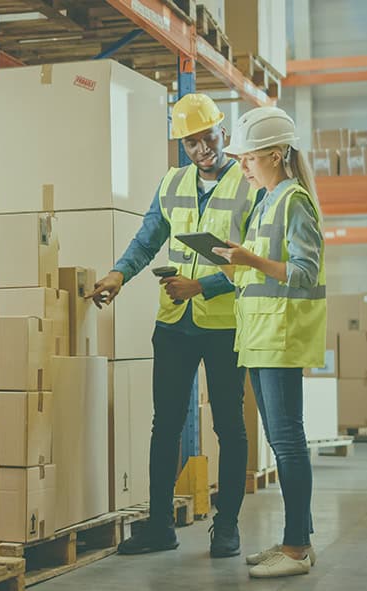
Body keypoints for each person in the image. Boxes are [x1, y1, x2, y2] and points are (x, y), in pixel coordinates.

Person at [88, 93, 255, 559]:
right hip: (175, 324)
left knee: (229, 427)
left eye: (208, 137)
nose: (202, 148)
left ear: (224, 132)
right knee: (165, 424)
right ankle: (160, 525)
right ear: (181, 144)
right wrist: (119, 274)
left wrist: (202, 289)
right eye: (191, 142)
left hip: (223, 325)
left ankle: (227, 528)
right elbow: (148, 238)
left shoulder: (248, 185)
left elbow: (256, 262)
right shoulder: (173, 183)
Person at [212, 106, 327, 579]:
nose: (241, 167)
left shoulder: (293, 201)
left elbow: (304, 273)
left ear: (277, 156)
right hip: (259, 338)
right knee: (282, 445)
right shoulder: (265, 201)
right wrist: (231, 264)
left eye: (249, 159)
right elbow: (259, 273)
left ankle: (298, 548)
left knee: (288, 443)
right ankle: (292, 540)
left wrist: (251, 261)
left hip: (281, 337)